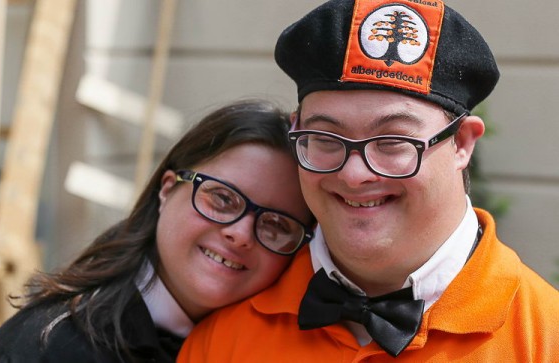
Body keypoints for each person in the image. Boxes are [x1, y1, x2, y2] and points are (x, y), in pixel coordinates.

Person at [178, 0, 559, 361]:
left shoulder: (547, 340)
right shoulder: (221, 339)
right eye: (326, 139)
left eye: (392, 141)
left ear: (460, 144)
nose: (355, 174)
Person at [0, 99, 315, 362]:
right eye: (222, 199)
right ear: (166, 188)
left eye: (276, 225)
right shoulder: (60, 348)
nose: (240, 233)